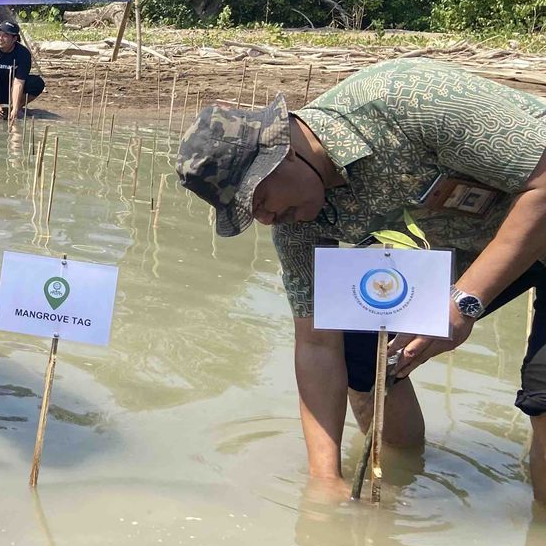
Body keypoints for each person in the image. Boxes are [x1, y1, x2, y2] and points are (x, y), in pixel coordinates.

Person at [174, 59, 546, 503]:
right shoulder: (297, 222)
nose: (267, 219)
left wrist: (464, 301)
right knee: (366, 355)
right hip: (482, 241)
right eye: (251, 215)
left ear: (284, 154)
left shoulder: (407, 99)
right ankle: (408, 476)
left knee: (543, 396)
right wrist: (323, 480)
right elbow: (316, 342)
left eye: (261, 200)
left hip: (533, 212)